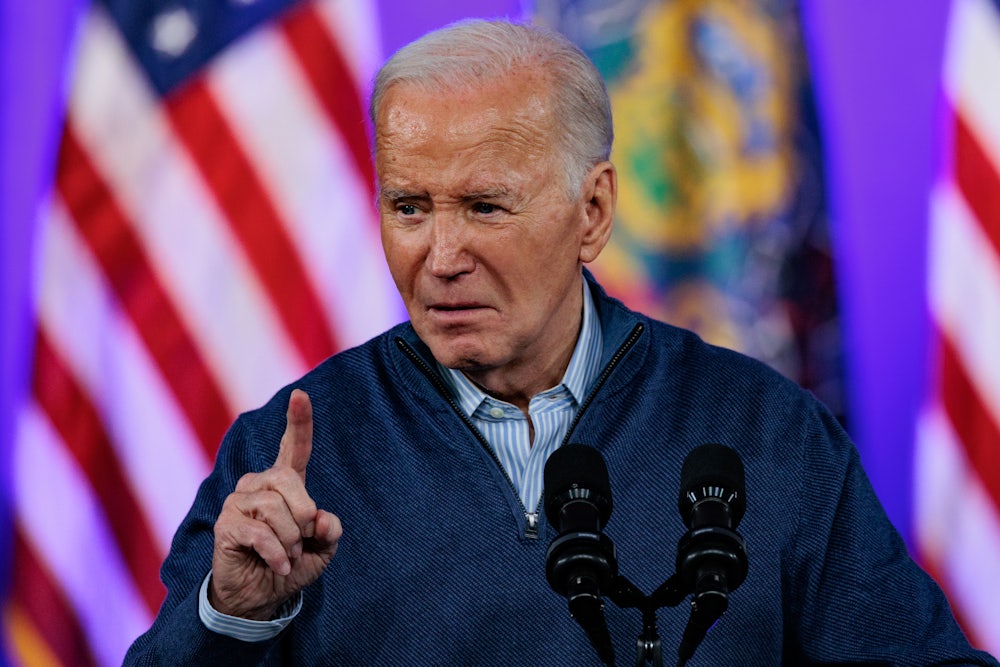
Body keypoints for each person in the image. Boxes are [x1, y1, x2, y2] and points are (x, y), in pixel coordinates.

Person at [125, 19, 998, 666]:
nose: (442, 257)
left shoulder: (765, 433)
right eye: (410, 208)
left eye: (484, 206)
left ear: (594, 211)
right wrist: (229, 614)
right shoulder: (290, 452)